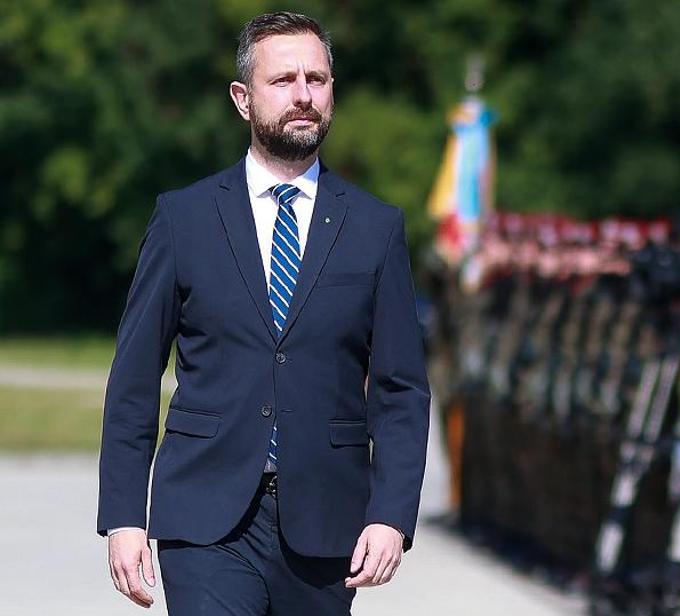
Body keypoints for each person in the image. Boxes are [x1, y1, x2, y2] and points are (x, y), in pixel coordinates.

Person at [97, 11, 430, 614]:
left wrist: (391, 515)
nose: (303, 95)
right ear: (243, 99)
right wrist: (123, 516)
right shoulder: (184, 218)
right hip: (204, 519)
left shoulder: (376, 228)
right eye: (283, 80)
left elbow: (401, 388)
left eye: (316, 79)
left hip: (327, 523)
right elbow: (134, 377)